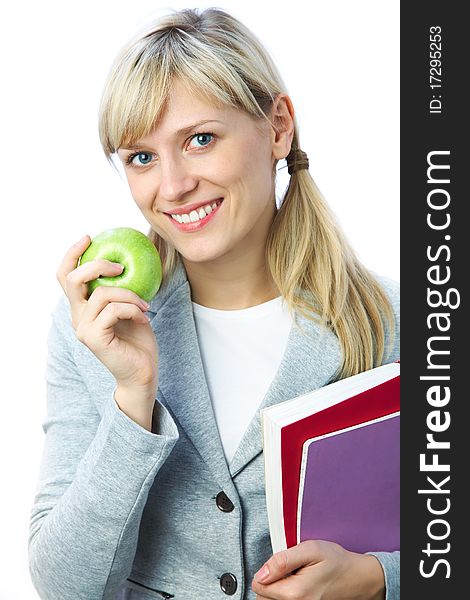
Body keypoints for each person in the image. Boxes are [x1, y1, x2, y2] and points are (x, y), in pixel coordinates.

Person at [28, 7, 399, 600]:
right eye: (141, 157)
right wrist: (132, 397)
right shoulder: (98, 328)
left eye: (200, 140)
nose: (172, 186)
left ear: (278, 126)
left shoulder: (398, 320)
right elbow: (64, 587)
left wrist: (381, 578)